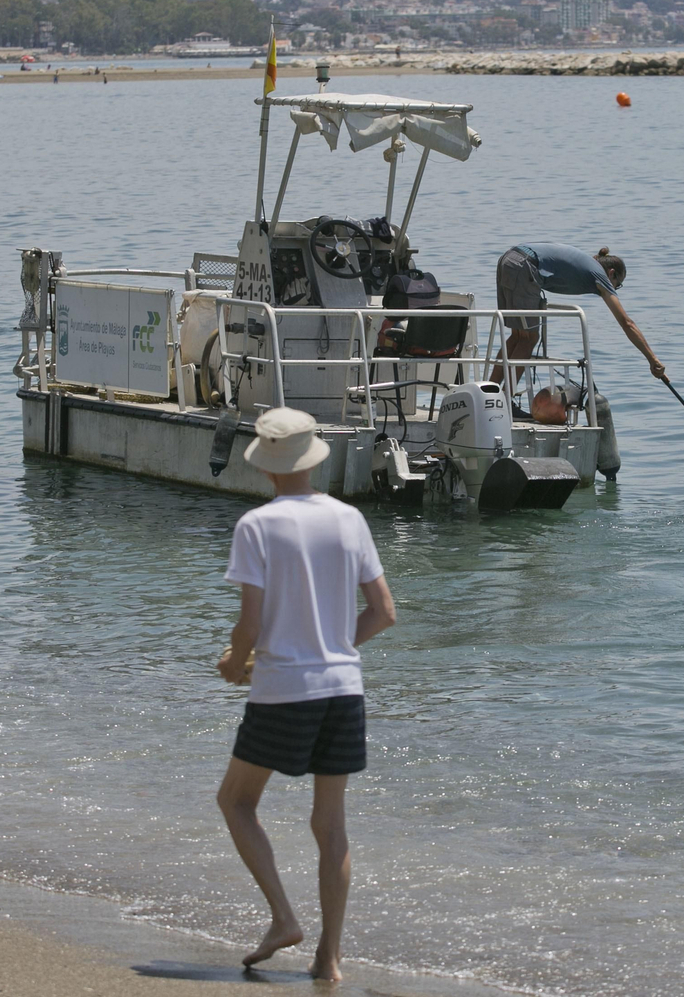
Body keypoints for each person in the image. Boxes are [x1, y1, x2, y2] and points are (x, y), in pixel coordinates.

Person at [215, 408, 397, 979]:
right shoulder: (349, 519)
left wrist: (235, 664)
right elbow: (383, 612)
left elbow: (250, 623)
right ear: (312, 458)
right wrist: (330, 646)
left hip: (285, 691)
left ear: (266, 465)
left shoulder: (257, 525)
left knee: (236, 802)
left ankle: (282, 918)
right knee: (330, 826)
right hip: (344, 688)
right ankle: (330, 959)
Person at [490, 244, 668, 390]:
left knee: (519, 336)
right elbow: (627, 323)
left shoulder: (588, 265)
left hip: (510, 258)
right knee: (529, 338)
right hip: (526, 265)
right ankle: (505, 401)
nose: (614, 288)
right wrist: (652, 359)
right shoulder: (599, 274)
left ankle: (489, 393)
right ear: (612, 273)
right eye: (618, 284)